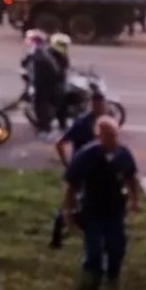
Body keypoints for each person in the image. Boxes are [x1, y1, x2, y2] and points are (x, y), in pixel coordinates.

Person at [63, 116, 139, 290]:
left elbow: (130, 177)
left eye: (115, 136)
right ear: (99, 136)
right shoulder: (86, 155)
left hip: (115, 209)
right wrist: (68, 209)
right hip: (93, 209)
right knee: (93, 248)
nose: (113, 140)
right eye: (109, 136)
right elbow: (71, 184)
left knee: (117, 246)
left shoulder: (123, 154)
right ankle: (92, 278)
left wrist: (135, 199)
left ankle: (113, 275)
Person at [49, 92, 109, 249]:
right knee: (70, 202)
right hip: (81, 171)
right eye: (98, 105)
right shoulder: (82, 123)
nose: (101, 108)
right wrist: (67, 165)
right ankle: (58, 234)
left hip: (97, 172)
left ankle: (89, 232)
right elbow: (60, 143)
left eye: (102, 105)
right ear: (92, 105)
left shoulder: (105, 122)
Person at [25, 33, 61, 141]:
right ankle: (44, 127)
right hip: (48, 83)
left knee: (40, 107)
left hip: (44, 84)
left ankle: (47, 130)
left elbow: (37, 73)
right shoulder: (42, 52)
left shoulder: (38, 55)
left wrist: (35, 86)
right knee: (41, 106)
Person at [49, 33, 72, 133]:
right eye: (63, 45)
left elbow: (66, 66)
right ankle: (62, 124)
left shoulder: (62, 55)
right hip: (53, 83)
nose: (65, 47)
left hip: (60, 80)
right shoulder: (50, 55)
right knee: (62, 102)